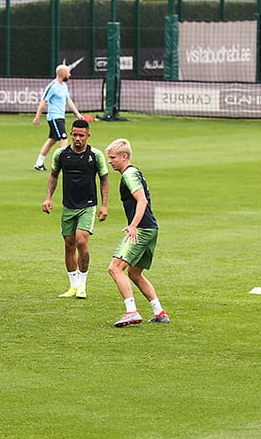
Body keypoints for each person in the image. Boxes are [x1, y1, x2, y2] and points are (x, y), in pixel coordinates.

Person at [105, 138, 169, 327]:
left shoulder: (129, 175)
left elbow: (142, 200)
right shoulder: (135, 172)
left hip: (141, 229)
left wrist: (133, 226)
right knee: (134, 273)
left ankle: (131, 311)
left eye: (113, 157)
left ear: (124, 157)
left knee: (115, 268)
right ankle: (159, 312)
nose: (110, 161)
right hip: (151, 228)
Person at [42, 119, 108, 298]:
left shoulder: (95, 155)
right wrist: (48, 198)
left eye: (81, 135)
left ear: (88, 136)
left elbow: (104, 179)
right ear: (71, 134)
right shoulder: (61, 154)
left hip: (88, 205)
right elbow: (53, 176)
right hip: (68, 206)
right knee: (69, 245)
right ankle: (73, 286)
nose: (78, 138)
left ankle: (82, 286)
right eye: (75, 135)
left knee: (81, 240)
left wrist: (104, 205)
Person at [32, 62, 84, 170]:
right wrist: (37, 117)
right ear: (63, 73)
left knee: (52, 140)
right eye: (68, 73)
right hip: (54, 117)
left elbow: (68, 100)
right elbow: (43, 102)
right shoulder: (52, 86)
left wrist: (77, 113)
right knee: (64, 137)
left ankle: (38, 163)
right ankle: (66, 163)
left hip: (61, 116)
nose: (70, 75)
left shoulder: (64, 86)